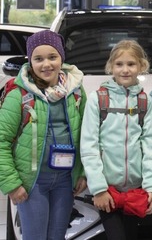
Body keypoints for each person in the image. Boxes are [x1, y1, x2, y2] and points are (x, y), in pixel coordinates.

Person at [0, 30, 87, 240]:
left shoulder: (75, 92)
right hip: (32, 182)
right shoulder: (19, 95)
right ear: (30, 61)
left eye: (52, 57)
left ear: (61, 58)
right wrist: (12, 184)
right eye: (38, 59)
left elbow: (87, 136)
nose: (46, 64)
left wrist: (82, 172)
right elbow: (1, 141)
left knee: (57, 237)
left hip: (65, 180)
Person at [80, 40, 152, 240]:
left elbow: (150, 146)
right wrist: (98, 189)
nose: (125, 70)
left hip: (135, 190)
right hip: (107, 190)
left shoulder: (145, 101)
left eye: (131, 64)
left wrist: (150, 187)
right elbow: (89, 145)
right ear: (110, 67)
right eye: (119, 64)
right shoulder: (97, 99)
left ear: (141, 66)